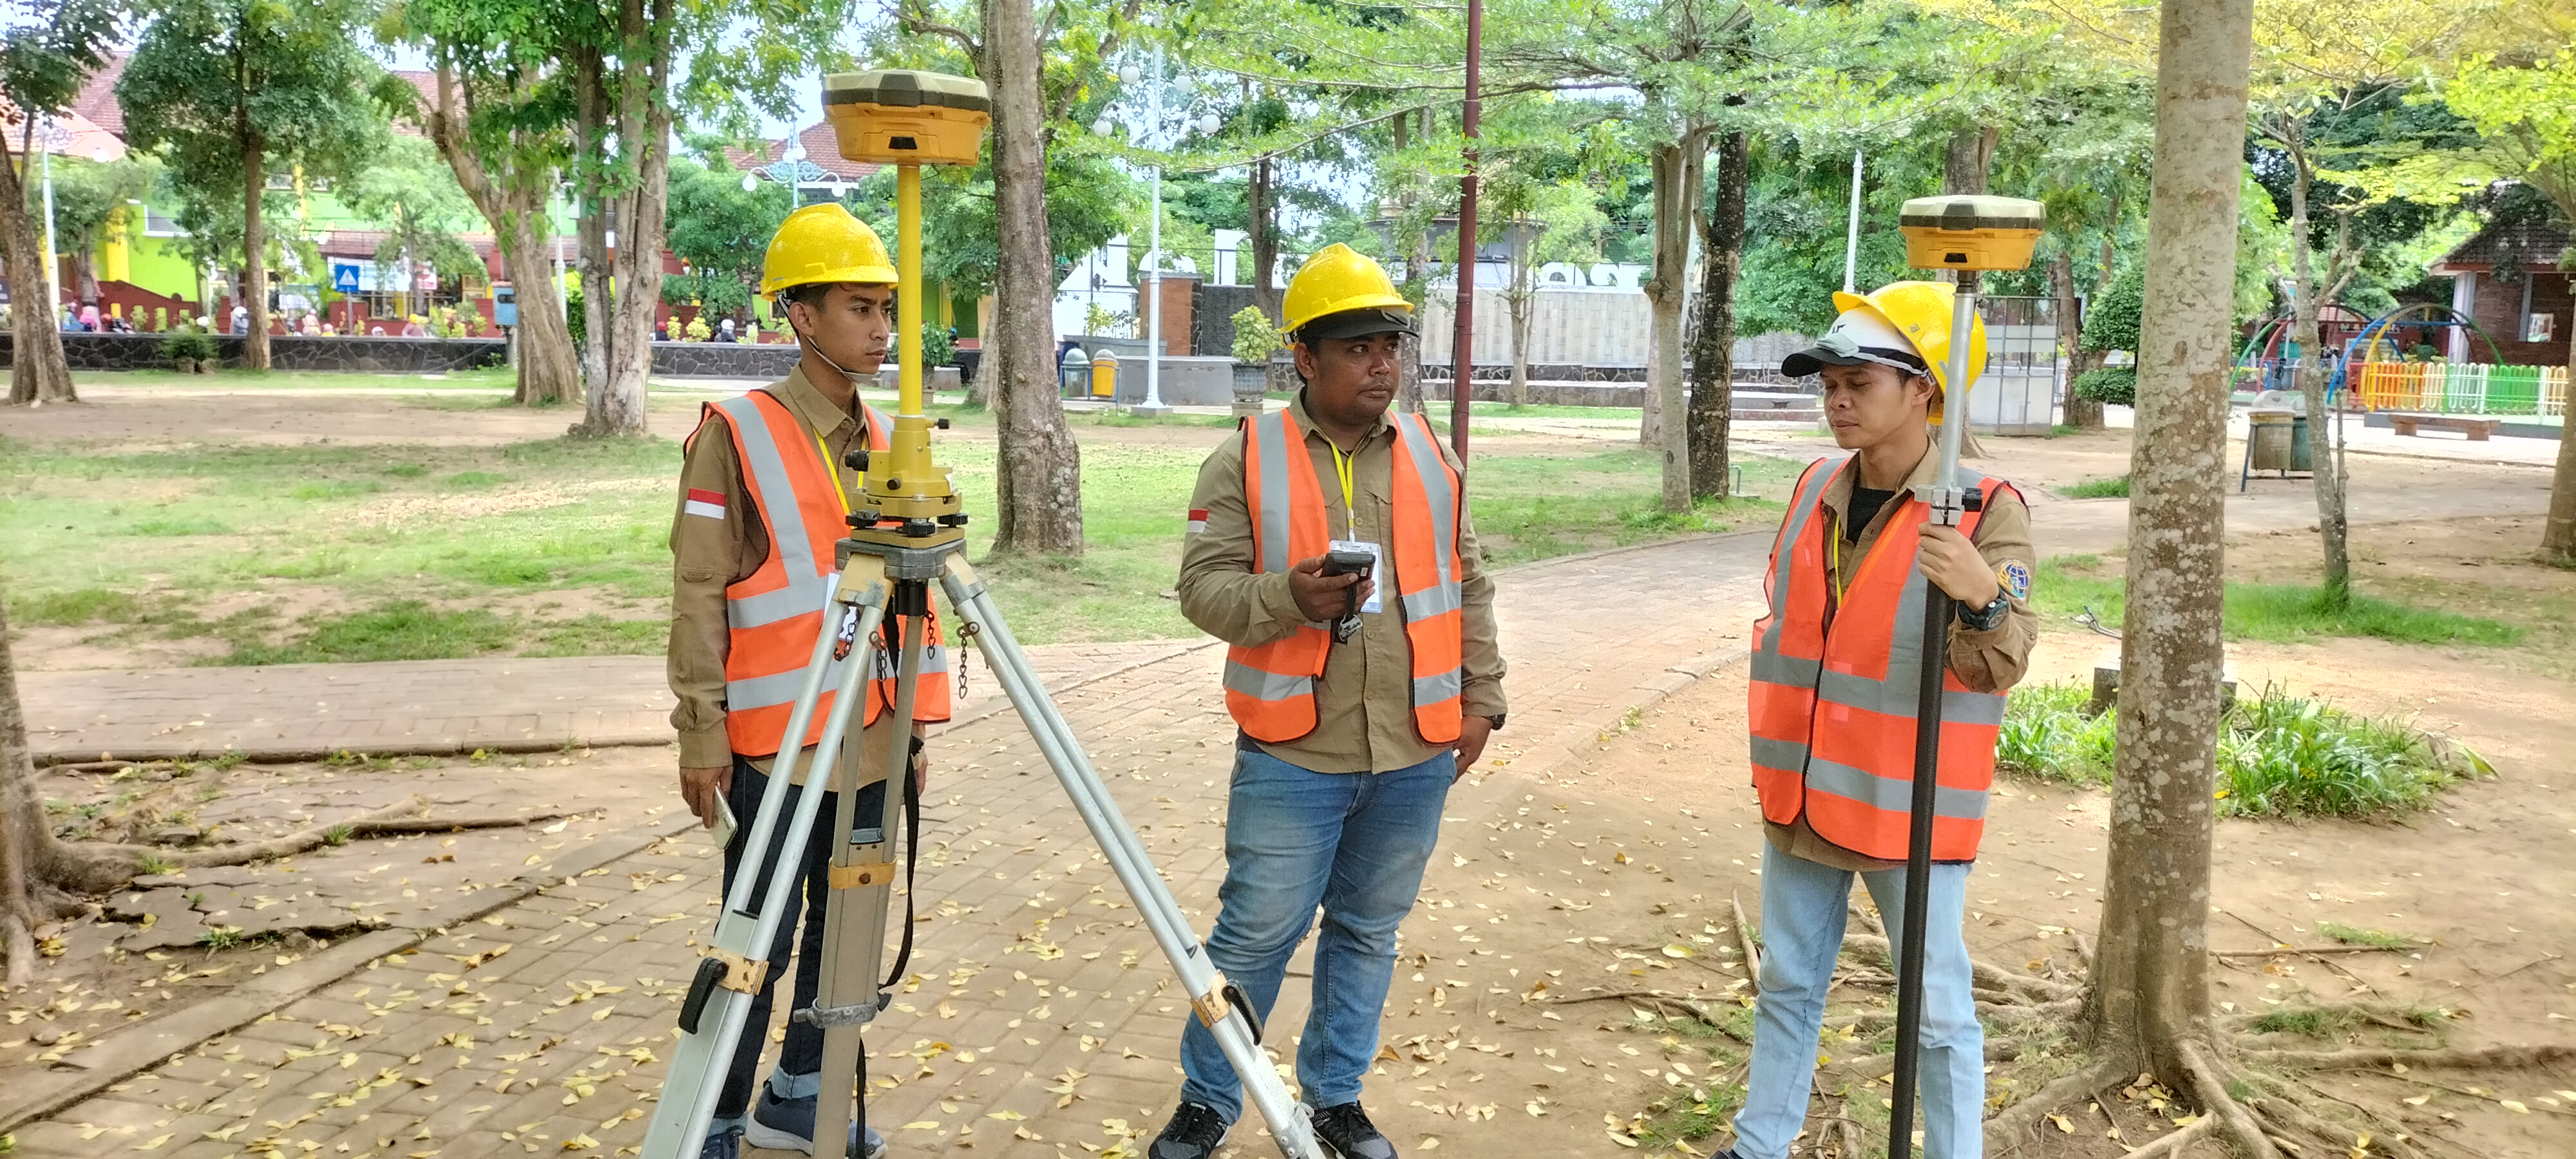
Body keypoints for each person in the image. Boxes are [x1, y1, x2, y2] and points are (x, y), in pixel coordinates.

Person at [1151, 243, 1507, 1159]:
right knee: (1254, 936)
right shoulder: (1245, 455)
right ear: (1305, 358)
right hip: (1291, 754)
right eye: (1357, 347)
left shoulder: (1433, 453)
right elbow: (1202, 590)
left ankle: (1335, 1098)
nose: (1381, 363)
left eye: (1390, 343)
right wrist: (1288, 599)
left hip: (1415, 750)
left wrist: (1484, 698)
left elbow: (1468, 584)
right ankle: (1208, 1098)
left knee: (1366, 932)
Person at [1711, 282, 2036, 1159]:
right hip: (1804, 792)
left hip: (1909, 807)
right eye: (1829, 385)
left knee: (1933, 1009)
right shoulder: (1815, 485)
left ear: (1925, 389)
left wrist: (1978, 596)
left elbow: (2001, 662)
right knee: (1786, 982)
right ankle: (1758, 1144)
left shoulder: (1981, 506)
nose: (1838, 401)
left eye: (1859, 382)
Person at [668, 202, 951, 1159]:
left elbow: (908, 598)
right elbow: (700, 590)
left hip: (869, 732)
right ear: (800, 314)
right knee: (760, 943)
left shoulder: (887, 438)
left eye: (888, 310)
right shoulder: (737, 433)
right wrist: (698, 732)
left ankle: (799, 1096)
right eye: (862, 308)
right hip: (775, 745)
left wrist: (911, 731)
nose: (882, 330)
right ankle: (711, 1117)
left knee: (847, 930)